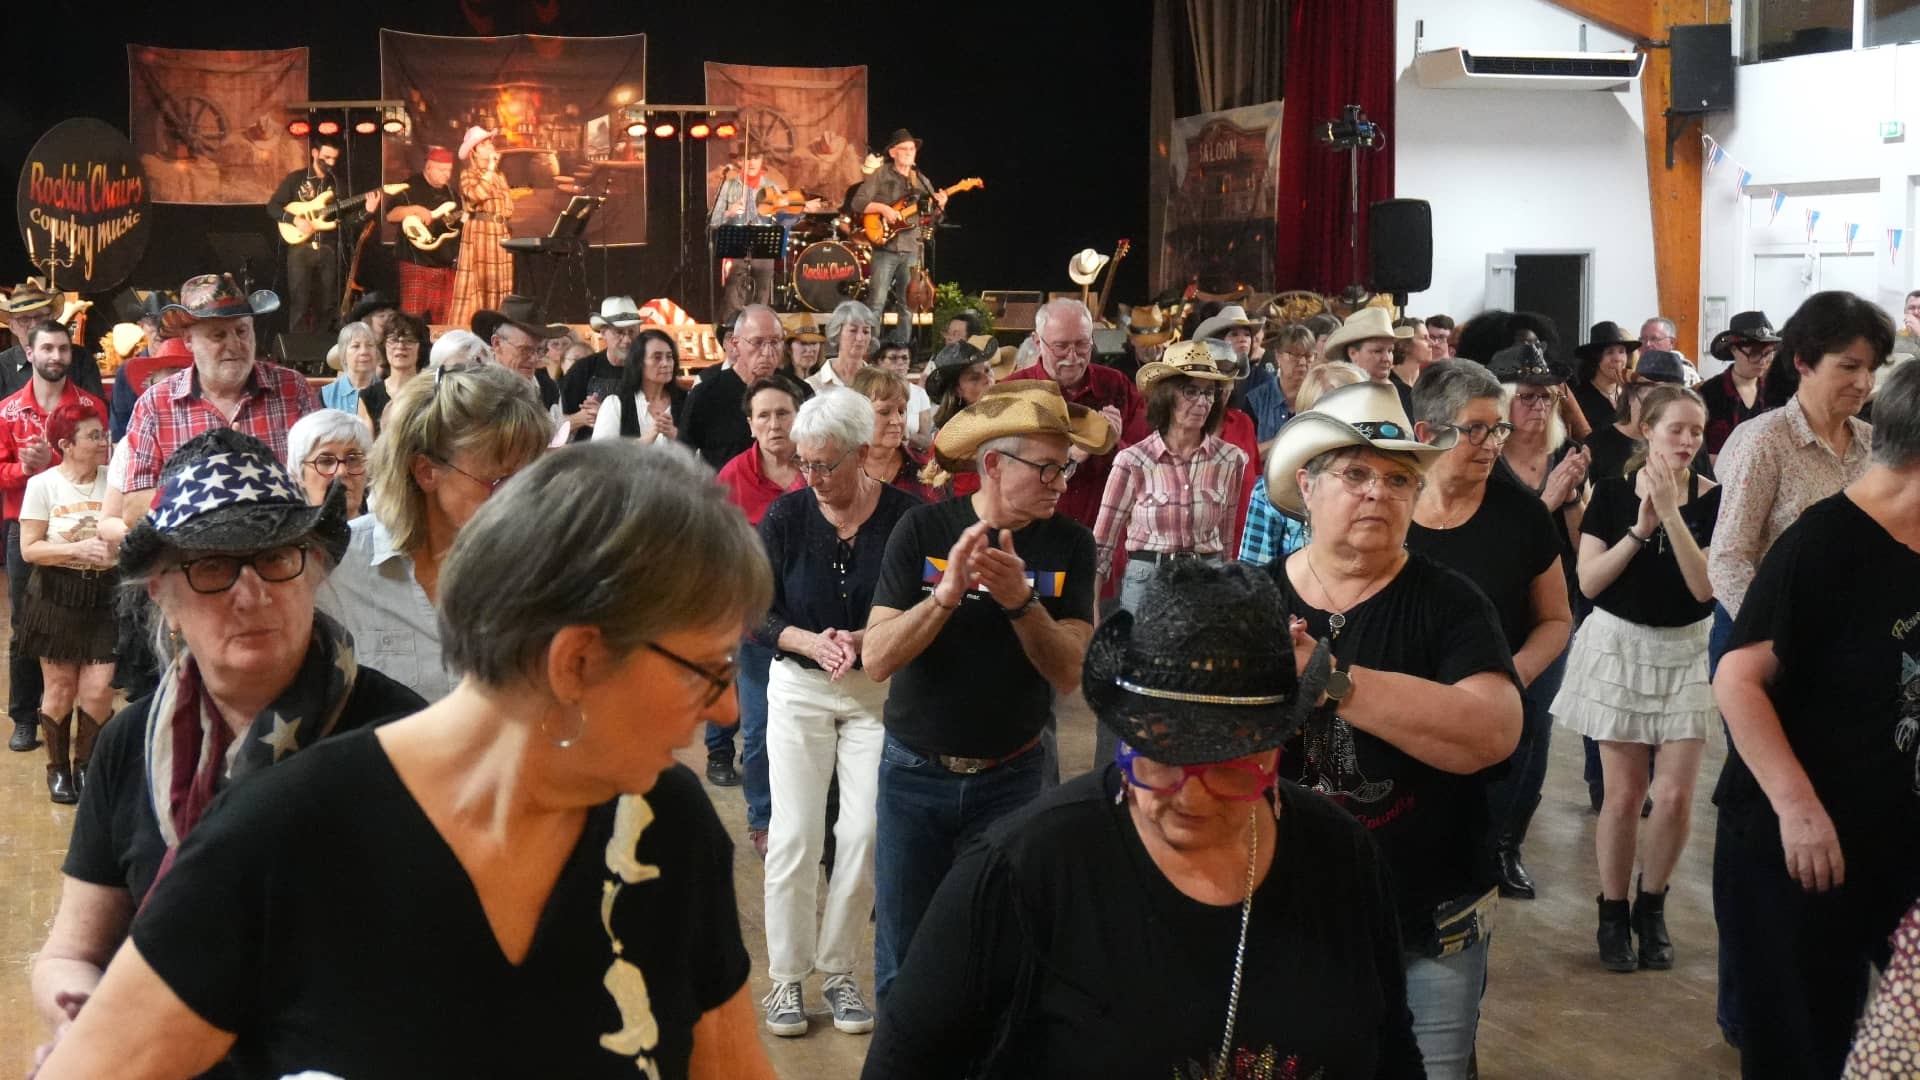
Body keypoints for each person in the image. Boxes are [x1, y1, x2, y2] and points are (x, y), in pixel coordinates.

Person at [36, 440, 778, 1079]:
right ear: (576, 661)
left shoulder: (668, 825)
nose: (726, 712)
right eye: (706, 670)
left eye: (274, 559)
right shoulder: (274, 835)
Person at [864, 561, 1423, 1078]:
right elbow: (904, 1064)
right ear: (1127, 736)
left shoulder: (1341, 854)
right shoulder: (1025, 870)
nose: (1192, 798)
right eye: (1160, 756)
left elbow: (1393, 1054)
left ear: (1277, 747)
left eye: (1229, 765)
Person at [29, 429, 426, 1072]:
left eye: (276, 558)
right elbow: (69, 955)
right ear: (163, 595)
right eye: (212, 567)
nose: (252, 592)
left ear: (314, 571)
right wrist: (87, 1017)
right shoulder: (131, 744)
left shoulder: (403, 738)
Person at [1263, 380, 1522, 1078]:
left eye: (1398, 479)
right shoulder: (1252, 598)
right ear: (1308, 486)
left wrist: (1329, 678)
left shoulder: (1451, 603)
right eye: (1355, 474)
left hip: (1428, 920)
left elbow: (1493, 732)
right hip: (1276, 916)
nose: (1377, 492)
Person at [861, 380, 1109, 1000]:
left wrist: (1021, 602)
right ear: (994, 464)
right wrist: (944, 598)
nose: (1060, 483)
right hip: (914, 775)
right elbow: (876, 658)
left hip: (1014, 778)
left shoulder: (1071, 544)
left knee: (1004, 949)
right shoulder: (923, 530)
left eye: (1065, 468)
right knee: (904, 952)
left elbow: (1071, 672)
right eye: (1047, 468)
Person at [1711, 357, 1920, 1078]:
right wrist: (1799, 810)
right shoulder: (1824, 544)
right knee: (1804, 1049)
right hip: (1796, 845)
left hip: (1895, 832)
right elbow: (1738, 679)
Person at [756, 389, 920, 1039]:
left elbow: (925, 604)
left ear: (861, 453)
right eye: (805, 464)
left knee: (864, 834)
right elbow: (754, 610)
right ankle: (786, 978)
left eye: (825, 464)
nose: (813, 477)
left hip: (876, 693)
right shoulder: (785, 516)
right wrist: (809, 641)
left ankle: (840, 971)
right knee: (795, 835)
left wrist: (865, 638)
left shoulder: (907, 517)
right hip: (799, 689)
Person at [1550, 384, 1718, 972]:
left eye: (1696, 431)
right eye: (1676, 429)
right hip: (1620, 646)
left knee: (1674, 795)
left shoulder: (1713, 498)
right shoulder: (1614, 494)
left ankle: (1653, 905)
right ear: (1648, 430)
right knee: (1623, 796)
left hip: (1687, 649)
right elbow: (1590, 582)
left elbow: (1705, 588)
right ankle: (1612, 912)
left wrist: (1671, 512)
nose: (1687, 441)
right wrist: (1640, 529)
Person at [1407, 359, 1573, 902]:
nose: (1491, 444)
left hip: (1489, 715)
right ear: (1427, 433)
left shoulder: (1522, 516)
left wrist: (1510, 679)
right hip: (1403, 708)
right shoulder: (1391, 503)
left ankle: (1503, 849)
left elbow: (1556, 619)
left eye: (1497, 428)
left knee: (1470, 860)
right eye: (1474, 429)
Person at [320, 364, 551, 704]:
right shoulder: (336, 569)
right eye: (500, 481)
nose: (522, 499)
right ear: (426, 471)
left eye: (532, 479)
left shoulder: (536, 570)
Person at [1089, 340, 1246, 765]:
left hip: (1206, 580)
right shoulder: (1133, 461)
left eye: (1209, 393)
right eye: (1190, 390)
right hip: (1147, 580)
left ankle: (1186, 774)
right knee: (1132, 686)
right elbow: (1101, 544)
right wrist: (1093, 613)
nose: (1201, 402)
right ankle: (1116, 776)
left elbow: (1226, 540)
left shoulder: (1231, 460)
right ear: (1165, 396)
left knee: (1197, 685)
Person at [706, 375, 809, 851]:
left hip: (816, 622)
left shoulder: (820, 466)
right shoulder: (732, 477)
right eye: (763, 415)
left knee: (812, 729)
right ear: (750, 424)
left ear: (799, 416)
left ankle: (810, 817)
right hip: (757, 628)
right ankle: (763, 818)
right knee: (761, 730)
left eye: (783, 413)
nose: (774, 424)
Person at [118, 274, 317, 522]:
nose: (234, 344)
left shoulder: (293, 389)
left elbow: (322, 478)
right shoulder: (154, 405)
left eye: (242, 331)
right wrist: (211, 485)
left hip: (280, 540)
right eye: (218, 335)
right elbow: (133, 509)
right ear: (188, 341)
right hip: (192, 546)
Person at [1, 321, 110, 754]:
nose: (56, 357)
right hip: (27, 529)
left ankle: (76, 719)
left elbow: (103, 459)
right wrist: (27, 469)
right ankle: (25, 717)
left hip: (84, 526)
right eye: (47, 348)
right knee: (25, 626)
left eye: (63, 349)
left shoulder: (90, 406)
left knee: (86, 618)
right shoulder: (7, 411)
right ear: (29, 353)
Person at [17, 403, 116, 804]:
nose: (103, 441)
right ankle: (57, 769)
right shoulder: (43, 485)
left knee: (99, 688)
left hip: (106, 596)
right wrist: (77, 549)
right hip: (56, 595)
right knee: (59, 688)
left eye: (103, 433)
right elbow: (29, 550)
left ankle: (87, 764)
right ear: (65, 445)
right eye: (93, 436)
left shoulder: (115, 481)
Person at [1002, 298, 1147, 530]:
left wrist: (1113, 445)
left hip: (1106, 534)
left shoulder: (1116, 385)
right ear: (1037, 342)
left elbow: (1148, 465)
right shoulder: (1010, 393)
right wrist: (1070, 456)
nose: (1073, 357)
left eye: (1082, 344)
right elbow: (998, 475)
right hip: (1031, 535)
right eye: (1061, 346)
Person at [1239, 362, 1369, 569]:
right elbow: (1252, 578)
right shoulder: (1269, 493)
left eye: (1357, 418)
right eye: (1332, 419)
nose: (1345, 431)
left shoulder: (1382, 487)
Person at [267, 136, 381, 334]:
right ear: (314, 153)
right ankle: (299, 348)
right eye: (326, 157)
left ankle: (323, 348)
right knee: (300, 303)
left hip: (329, 249)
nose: (330, 163)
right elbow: (273, 207)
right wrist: (295, 220)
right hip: (300, 248)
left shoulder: (337, 185)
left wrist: (367, 211)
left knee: (328, 304)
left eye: (334, 158)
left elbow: (346, 222)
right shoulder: (296, 179)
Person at [852, 129, 947, 344]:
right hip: (885, 248)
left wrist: (939, 206)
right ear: (892, 152)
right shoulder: (881, 175)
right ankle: (871, 348)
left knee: (908, 304)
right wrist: (883, 209)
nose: (909, 152)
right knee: (877, 302)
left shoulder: (921, 180)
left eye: (912, 149)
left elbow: (931, 218)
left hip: (912, 247)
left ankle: (902, 349)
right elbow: (857, 203)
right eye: (904, 149)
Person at [682, 306, 783, 470]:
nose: (767, 352)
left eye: (775, 342)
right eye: (757, 342)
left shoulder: (797, 391)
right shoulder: (706, 395)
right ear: (736, 344)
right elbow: (681, 459)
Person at [445, 126, 515, 330]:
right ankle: (474, 330)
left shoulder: (499, 175)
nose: (490, 146)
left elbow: (508, 205)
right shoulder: (468, 174)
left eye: (489, 143)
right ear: (474, 151)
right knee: (480, 283)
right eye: (484, 144)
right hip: (481, 234)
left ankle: (497, 328)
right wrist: (490, 170)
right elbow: (477, 194)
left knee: (499, 284)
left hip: (500, 234)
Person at [386, 146, 463, 323]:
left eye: (449, 170)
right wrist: (414, 209)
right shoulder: (409, 187)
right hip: (416, 263)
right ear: (428, 167)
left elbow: (459, 225)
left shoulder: (452, 194)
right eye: (442, 170)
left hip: (444, 266)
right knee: (412, 319)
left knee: (444, 320)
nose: (447, 175)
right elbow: (391, 214)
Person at [1586, 351, 1689, 483]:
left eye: (1668, 405)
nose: (1658, 413)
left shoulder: (1687, 443)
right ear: (1630, 396)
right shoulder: (1597, 445)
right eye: (1650, 402)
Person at [0, 280, 105, 398]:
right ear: (12, 326)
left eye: (40, 316)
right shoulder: (2, 365)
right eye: (24, 319)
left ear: (52, 318)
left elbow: (96, 406)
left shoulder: (81, 359)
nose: (34, 325)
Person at [709, 146, 783, 312]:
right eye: (747, 158)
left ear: (762, 160)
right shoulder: (728, 186)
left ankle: (758, 324)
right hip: (736, 251)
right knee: (733, 297)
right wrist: (729, 212)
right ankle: (732, 326)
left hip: (763, 250)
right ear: (740, 161)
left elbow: (783, 218)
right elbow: (714, 220)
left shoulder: (771, 188)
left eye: (756, 158)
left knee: (762, 298)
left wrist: (786, 210)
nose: (752, 162)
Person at [1700, 310, 1779, 462]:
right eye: (1754, 353)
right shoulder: (1709, 393)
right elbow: (1695, 451)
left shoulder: (1776, 392)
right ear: (1734, 349)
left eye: (1768, 353)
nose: (1763, 361)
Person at [850, 366, 935, 502]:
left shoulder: (927, 470)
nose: (897, 420)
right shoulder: (839, 469)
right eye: (884, 412)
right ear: (857, 415)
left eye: (901, 411)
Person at [592, 328, 686, 445]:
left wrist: (677, 436)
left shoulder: (686, 401)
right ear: (639, 363)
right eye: (657, 357)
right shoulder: (616, 403)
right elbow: (599, 453)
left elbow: (701, 451)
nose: (665, 363)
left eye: (669, 357)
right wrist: (644, 441)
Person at [287, 409, 371, 519]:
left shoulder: (386, 528)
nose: (342, 471)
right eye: (326, 461)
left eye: (352, 459)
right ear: (298, 475)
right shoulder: (284, 530)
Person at [357, 313, 427, 437]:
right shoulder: (369, 396)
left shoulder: (431, 393)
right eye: (393, 340)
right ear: (384, 346)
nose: (400, 346)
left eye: (409, 340)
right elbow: (365, 444)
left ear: (420, 347)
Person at [1572, 321, 1638, 432]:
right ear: (1596, 358)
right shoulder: (1579, 398)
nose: (1617, 359)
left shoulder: (1634, 393)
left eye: (1621, 351)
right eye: (1609, 352)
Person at [1322, 307, 1412, 387]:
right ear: (1353, 354)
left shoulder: (1401, 393)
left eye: (1390, 350)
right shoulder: (1337, 393)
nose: (1387, 358)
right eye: (1378, 351)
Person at [809, 300, 879, 392]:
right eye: (853, 330)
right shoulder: (813, 385)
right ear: (837, 333)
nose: (860, 338)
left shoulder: (878, 383)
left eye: (866, 332)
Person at [875, 340, 933, 447]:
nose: (900, 362)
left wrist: (906, 434)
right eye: (893, 358)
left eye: (904, 358)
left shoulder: (920, 394)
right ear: (880, 362)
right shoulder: (873, 391)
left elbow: (927, 441)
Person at [321, 321, 379, 415]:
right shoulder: (326, 395)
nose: (364, 351)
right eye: (356, 346)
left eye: (370, 345)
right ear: (343, 354)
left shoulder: (388, 391)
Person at [1390, 316, 1433, 415]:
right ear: (1404, 344)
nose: (1432, 343)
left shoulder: (1429, 383)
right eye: (1425, 338)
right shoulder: (1388, 387)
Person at [780, 316, 826, 381]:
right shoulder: (778, 382)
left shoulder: (828, 379)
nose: (809, 350)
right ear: (788, 348)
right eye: (803, 343)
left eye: (814, 343)